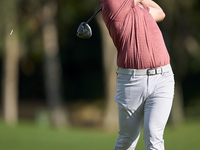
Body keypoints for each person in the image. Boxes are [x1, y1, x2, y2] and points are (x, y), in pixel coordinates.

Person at [101, 0, 175, 150]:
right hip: (131, 82)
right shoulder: (111, 4)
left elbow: (160, 13)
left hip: (163, 78)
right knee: (127, 140)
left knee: (154, 136)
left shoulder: (138, 7)